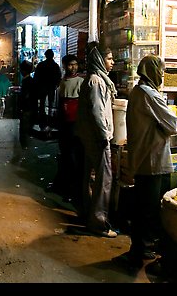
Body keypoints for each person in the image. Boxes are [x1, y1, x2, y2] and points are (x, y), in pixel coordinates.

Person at [120, 54, 177, 269]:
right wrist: (165, 126)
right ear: (152, 72)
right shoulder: (147, 93)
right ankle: (137, 254)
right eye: (161, 71)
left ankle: (141, 249)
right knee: (147, 211)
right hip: (152, 161)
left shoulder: (140, 91)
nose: (162, 75)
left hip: (147, 159)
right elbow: (172, 124)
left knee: (144, 209)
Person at [74, 44, 117, 238]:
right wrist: (104, 136)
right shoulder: (96, 82)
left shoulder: (95, 80)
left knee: (90, 178)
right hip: (97, 138)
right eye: (109, 59)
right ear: (100, 60)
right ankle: (99, 223)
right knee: (103, 181)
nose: (112, 62)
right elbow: (98, 112)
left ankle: (88, 215)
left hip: (90, 137)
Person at [46, 54, 83, 204]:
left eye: (75, 64)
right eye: (70, 65)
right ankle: (62, 186)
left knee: (72, 158)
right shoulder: (61, 83)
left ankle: (71, 190)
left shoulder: (81, 81)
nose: (73, 67)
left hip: (75, 124)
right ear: (64, 66)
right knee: (65, 156)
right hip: (64, 124)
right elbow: (59, 104)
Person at [33, 48, 62, 131]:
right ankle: (49, 117)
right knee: (50, 102)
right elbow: (58, 77)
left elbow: (36, 76)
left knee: (42, 102)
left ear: (45, 55)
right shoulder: (55, 65)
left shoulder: (41, 65)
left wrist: (37, 85)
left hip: (42, 86)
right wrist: (56, 84)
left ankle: (42, 117)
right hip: (51, 87)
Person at [18, 60, 37, 149]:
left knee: (24, 126)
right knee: (27, 125)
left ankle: (24, 144)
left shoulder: (27, 81)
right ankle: (25, 143)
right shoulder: (30, 80)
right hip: (30, 107)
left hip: (27, 107)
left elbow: (26, 96)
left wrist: (21, 106)